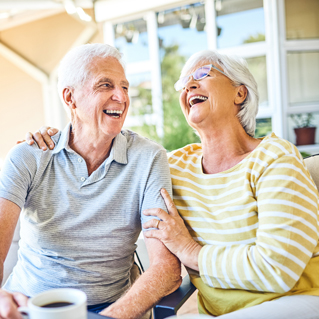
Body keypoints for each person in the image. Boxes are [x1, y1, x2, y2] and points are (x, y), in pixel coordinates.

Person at [22, 50, 319, 318]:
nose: (189, 85)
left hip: (295, 300)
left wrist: (190, 252)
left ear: (239, 93)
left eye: (202, 74)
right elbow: (109, 154)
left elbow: (277, 269)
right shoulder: (175, 166)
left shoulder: (274, 158)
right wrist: (56, 139)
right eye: (183, 82)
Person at [0, 43, 182, 319]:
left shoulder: (148, 159)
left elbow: (166, 268)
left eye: (125, 86)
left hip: (109, 310)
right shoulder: (28, 156)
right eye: (105, 85)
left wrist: (108, 318)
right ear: (70, 98)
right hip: (28, 307)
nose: (121, 96)